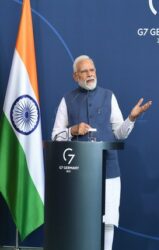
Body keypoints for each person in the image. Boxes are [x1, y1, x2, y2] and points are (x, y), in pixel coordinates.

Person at [51, 55, 152, 250]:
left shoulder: (109, 96)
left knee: (108, 219)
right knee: (79, 219)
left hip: (109, 170)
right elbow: (55, 136)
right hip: (77, 172)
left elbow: (120, 134)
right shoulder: (67, 99)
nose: (90, 74)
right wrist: (72, 130)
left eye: (92, 70)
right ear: (75, 76)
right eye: (84, 71)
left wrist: (131, 118)